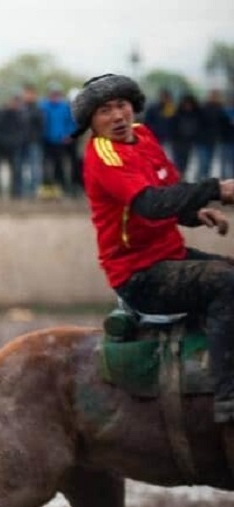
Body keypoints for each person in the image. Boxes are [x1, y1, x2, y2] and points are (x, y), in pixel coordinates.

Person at [76, 73, 234, 438]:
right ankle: (227, 398)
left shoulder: (143, 136)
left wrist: (194, 214)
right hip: (141, 275)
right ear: (91, 123)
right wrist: (217, 190)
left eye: (121, 105)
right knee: (227, 283)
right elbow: (149, 203)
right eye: (104, 110)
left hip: (170, 256)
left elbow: (167, 192)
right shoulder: (104, 156)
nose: (117, 116)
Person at [40, 82, 75, 198]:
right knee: (46, 165)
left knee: (60, 165)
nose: (54, 96)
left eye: (56, 94)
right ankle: (47, 188)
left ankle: (62, 188)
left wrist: (68, 134)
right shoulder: (43, 106)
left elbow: (71, 122)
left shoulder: (64, 107)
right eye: (52, 94)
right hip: (46, 140)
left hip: (60, 141)